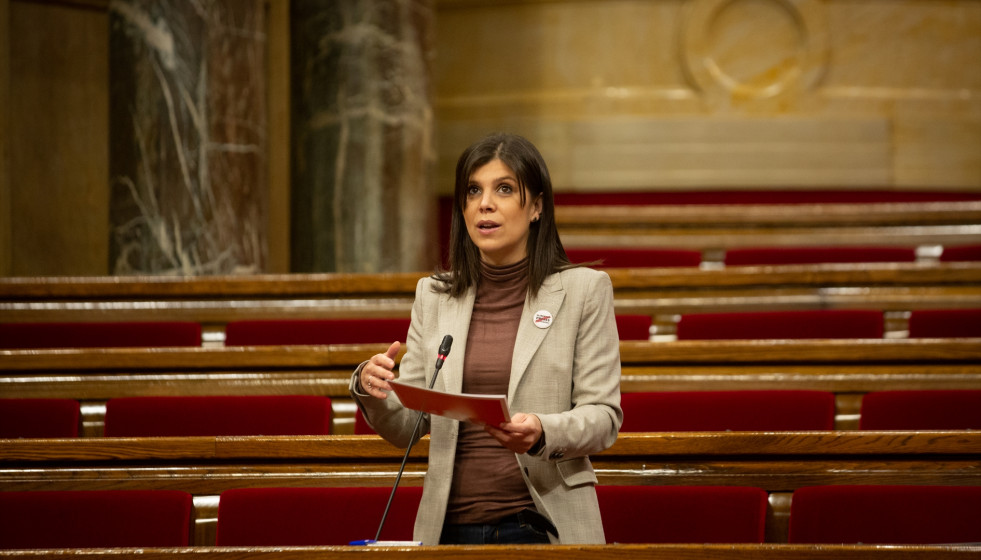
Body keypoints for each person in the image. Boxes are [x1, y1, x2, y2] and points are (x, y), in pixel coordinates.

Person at [350, 132, 622, 545]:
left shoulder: (585, 290)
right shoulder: (434, 295)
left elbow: (603, 416)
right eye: (473, 190)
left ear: (536, 207)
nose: (485, 203)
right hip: (448, 529)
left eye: (505, 189)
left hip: (541, 523)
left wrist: (542, 431)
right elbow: (409, 425)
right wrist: (374, 389)